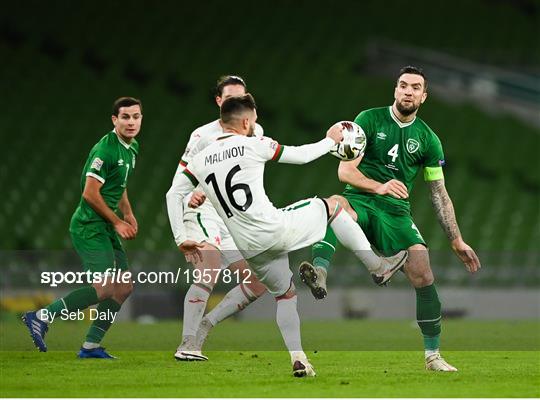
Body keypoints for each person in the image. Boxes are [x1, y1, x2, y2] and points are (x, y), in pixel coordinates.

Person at [167, 94, 406, 377]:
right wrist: (331, 140)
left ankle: (299, 359)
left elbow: (174, 193)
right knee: (331, 206)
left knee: (285, 294)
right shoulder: (254, 144)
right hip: (274, 228)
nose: (255, 124)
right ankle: (378, 266)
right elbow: (302, 155)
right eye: (254, 120)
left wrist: (181, 237)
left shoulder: (199, 159)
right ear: (245, 121)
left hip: (250, 247)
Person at [304, 66, 481, 372]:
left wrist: (456, 239)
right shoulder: (368, 119)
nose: (408, 91)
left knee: (423, 273)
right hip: (360, 199)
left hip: (397, 212)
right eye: (403, 85)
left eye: (415, 87)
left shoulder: (428, 139)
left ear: (423, 97)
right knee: (332, 205)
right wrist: (379, 186)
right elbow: (345, 171)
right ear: (395, 90)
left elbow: (438, 193)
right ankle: (319, 272)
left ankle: (433, 356)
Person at [22, 97, 142, 359]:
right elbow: (89, 193)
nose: (131, 121)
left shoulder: (131, 148)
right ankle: (42, 316)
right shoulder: (106, 149)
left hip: (106, 227)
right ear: (115, 120)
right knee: (106, 288)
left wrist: (128, 212)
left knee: (123, 288)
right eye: (125, 117)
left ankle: (90, 346)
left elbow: (118, 184)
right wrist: (117, 221)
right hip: (90, 226)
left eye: (136, 116)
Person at [167, 75, 267, 361]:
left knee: (258, 281)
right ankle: (187, 344)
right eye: (231, 98)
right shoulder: (202, 136)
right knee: (209, 268)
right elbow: (178, 185)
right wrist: (192, 194)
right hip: (203, 214)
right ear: (219, 102)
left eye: (242, 98)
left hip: (231, 217)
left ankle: (205, 327)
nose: (237, 103)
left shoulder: (255, 130)